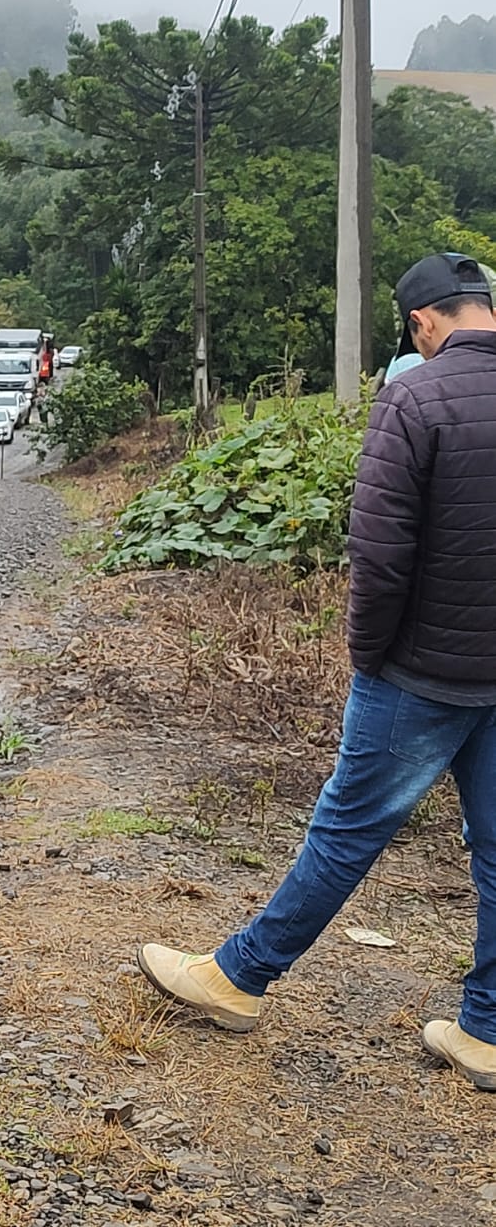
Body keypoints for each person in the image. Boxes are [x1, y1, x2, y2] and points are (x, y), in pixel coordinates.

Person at [137, 252, 496, 1090]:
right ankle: (485, 1028)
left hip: (420, 673)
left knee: (344, 832)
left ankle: (238, 976)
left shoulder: (414, 395)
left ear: (422, 323)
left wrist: (370, 657)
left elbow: (377, 559)